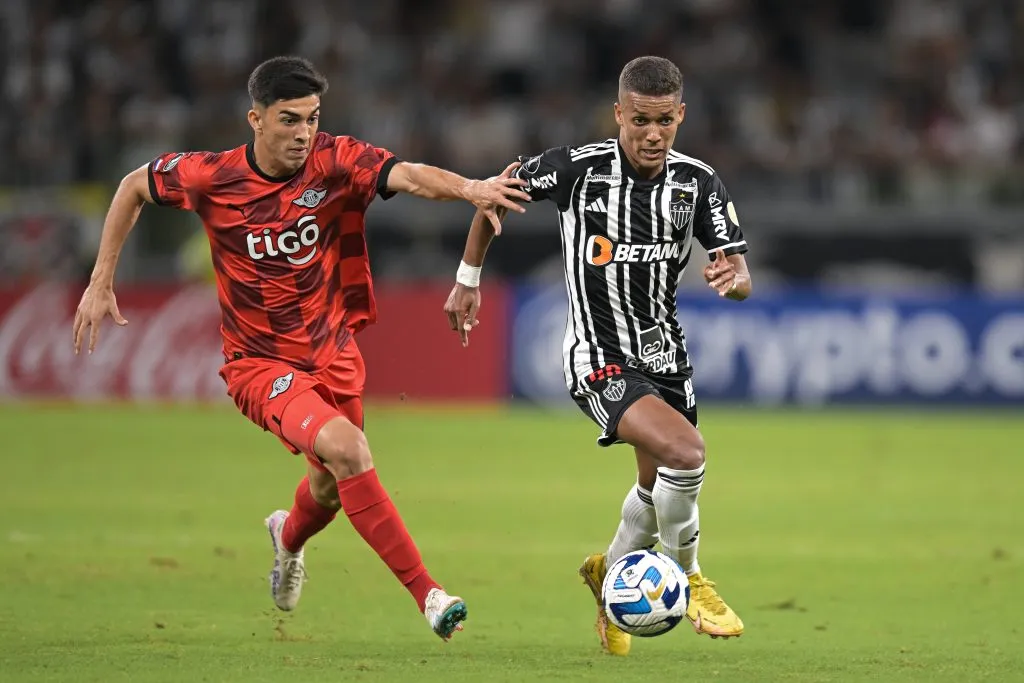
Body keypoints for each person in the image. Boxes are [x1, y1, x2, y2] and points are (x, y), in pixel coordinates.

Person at [72, 55, 530, 641]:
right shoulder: (212, 176)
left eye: (312, 119)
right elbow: (134, 185)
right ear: (255, 119)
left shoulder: (333, 159)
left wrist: (471, 188)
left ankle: (287, 539)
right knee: (350, 451)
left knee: (328, 490)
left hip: (333, 354)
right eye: (289, 120)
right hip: (259, 366)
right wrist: (100, 278)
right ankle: (430, 595)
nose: (303, 133)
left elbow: (407, 174)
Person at [444, 56, 750, 655]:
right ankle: (690, 580)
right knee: (686, 454)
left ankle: (608, 575)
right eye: (640, 120)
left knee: (653, 487)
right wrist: (467, 279)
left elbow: (739, 274)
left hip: (667, 359)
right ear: (618, 114)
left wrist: (730, 277)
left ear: (681, 115)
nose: (653, 134)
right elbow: (492, 201)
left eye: (664, 121)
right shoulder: (575, 171)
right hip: (597, 358)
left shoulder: (698, 182)